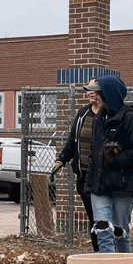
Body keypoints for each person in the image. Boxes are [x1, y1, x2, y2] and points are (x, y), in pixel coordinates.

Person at [82, 75, 133, 253]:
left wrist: (116, 157)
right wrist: (89, 184)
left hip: (122, 185)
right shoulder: (99, 117)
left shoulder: (129, 118)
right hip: (99, 187)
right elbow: (93, 155)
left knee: (119, 231)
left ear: (109, 94)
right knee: (102, 228)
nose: (94, 96)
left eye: (98, 92)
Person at [52, 79, 106, 252]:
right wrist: (62, 159)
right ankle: (99, 253)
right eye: (88, 90)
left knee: (104, 218)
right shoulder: (83, 113)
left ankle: (111, 255)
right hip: (84, 176)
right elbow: (72, 139)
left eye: (94, 90)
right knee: (93, 217)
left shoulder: (110, 113)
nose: (90, 93)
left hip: (104, 177)